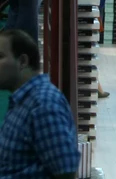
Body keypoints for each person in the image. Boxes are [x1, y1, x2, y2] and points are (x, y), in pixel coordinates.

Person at [0, 30, 80, 178]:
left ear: (22, 61)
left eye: (0, 56)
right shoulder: (23, 100)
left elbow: (66, 171)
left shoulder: (44, 105)